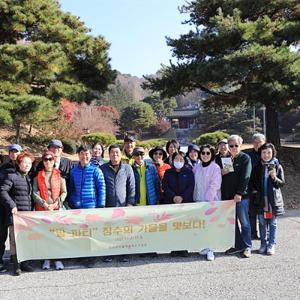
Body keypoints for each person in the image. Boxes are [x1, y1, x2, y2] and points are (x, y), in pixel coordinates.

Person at [69, 145, 106, 267]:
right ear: (78, 155)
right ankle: (82, 254)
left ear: (91, 155)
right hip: (77, 208)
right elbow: (72, 188)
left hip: (92, 207)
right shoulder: (74, 171)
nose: (84, 156)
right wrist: (72, 202)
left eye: (87, 154)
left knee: (91, 232)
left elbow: (101, 187)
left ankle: (92, 257)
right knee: (80, 231)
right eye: (82, 154)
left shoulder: (96, 170)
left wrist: (101, 205)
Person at [0, 152, 35, 276]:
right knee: (14, 241)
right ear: (19, 163)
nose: (27, 165)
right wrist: (12, 205)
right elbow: (2, 191)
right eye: (25, 162)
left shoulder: (28, 177)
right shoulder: (12, 176)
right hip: (15, 215)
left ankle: (24, 263)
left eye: (29, 163)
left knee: (24, 239)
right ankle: (16, 265)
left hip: (26, 215)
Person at [32, 150, 67, 270]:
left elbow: (64, 192)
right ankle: (46, 259)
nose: (48, 162)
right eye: (46, 159)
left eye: (50, 159)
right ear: (43, 161)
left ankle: (58, 259)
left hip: (56, 210)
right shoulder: (37, 176)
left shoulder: (59, 175)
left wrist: (57, 203)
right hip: (43, 210)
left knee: (58, 235)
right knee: (45, 235)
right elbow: (34, 193)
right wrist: (44, 204)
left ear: (54, 161)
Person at [101, 144, 135, 262]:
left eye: (117, 153)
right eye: (112, 153)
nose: (115, 155)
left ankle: (123, 253)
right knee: (109, 231)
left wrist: (130, 203)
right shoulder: (103, 168)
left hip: (123, 205)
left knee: (123, 230)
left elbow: (131, 187)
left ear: (121, 155)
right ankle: (109, 253)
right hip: (108, 206)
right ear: (108, 154)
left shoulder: (127, 168)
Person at [221, 135, 252, 258]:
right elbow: (224, 179)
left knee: (244, 223)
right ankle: (238, 245)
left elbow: (246, 177)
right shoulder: (226, 158)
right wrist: (222, 173)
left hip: (241, 197)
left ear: (241, 145)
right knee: (232, 224)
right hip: (228, 198)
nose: (233, 148)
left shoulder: (245, 158)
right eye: (231, 145)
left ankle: (247, 246)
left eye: (236, 145)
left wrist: (239, 193)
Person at [251, 143, 284, 255]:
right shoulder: (257, 167)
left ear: (273, 153)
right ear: (260, 154)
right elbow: (253, 183)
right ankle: (263, 244)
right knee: (262, 223)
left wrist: (274, 177)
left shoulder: (277, 166)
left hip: (273, 200)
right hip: (261, 200)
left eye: (269, 152)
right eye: (264, 152)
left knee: (273, 223)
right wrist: (255, 191)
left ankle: (271, 244)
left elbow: (281, 184)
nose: (266, 155)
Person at [162, 151, 194, 257]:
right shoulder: (168, 172)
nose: (178, 161)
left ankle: (184, 248)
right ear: (172, 160)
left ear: (184, 161)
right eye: (176, 159)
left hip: (185, 203)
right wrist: (173, 197)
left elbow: (191, 187)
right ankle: (174, 248)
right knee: (173, 226)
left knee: (184, 226)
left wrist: (182, 197)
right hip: (171, 203)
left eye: (181, 159)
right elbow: (165, 186)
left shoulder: (189, 172)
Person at [193, 144, 222, 261]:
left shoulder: (215, 168)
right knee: (202, 226)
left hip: (210, 202)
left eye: (208, 153)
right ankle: (204, 246)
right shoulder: (196, 167)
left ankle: (211, 250)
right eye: (203, 153)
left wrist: (207, 201)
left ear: (212, 154)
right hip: (198, 200)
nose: (205, 155)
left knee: (210, 226)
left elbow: (215, 185)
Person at [0, 144, 22, 273]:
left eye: (16, 151)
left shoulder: (24, 167)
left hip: (19, 207)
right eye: (11, 152)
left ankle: (17, 260)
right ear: (9, 154)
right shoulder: (4, 169)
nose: (14, 154)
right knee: (1, 235)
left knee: (17, 236)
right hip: (4, 207)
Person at [35, 139, 73, 208]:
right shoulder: (41, 164)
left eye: (58, 147)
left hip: (65, 201)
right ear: (48, 149)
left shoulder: (68, 163)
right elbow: (36, 184)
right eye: (53, 147)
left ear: (62, 149)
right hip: (45, 204)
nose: (55, 149)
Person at [247, 133, 266, 239]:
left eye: (260, 142)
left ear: (264, 142)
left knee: (263, 213)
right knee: (251, 213)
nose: (258, 144)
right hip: (251, 188)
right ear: (252, 143)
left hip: (264, 188)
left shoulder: (267, 154)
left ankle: (264, 234)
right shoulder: (248, 155)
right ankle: (253, 233)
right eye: (256, 142)